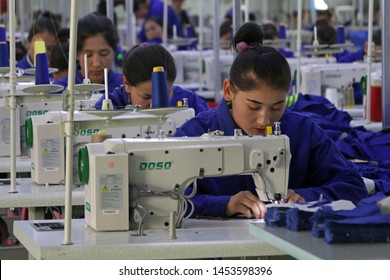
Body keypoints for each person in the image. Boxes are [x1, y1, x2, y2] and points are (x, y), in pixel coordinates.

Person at [173, 22, 368, 219]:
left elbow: (353, 186)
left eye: (277, 107)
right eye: (253, 106)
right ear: (228, 91)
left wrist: (305, 196)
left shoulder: (302, 131)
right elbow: (163, 199)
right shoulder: (193, 134)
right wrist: (222, 205)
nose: (265, 119)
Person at [94, 43, 209, 115]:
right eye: (146, 96)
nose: (155, 104)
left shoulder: (192, 103)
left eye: (163, 94)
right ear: (127, 84)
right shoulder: (107, 108)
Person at [53, 13, 122, 93]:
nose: (96, 63)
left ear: (114, 52)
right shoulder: (60, 90)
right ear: (76, 54)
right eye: (88, 55)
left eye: (103, 54)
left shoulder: (126, 87)